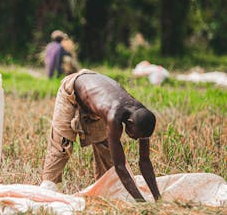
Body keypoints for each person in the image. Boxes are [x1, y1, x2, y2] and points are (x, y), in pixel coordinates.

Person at [40, 69, 161, 202]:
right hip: (72, 89)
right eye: (135, 136)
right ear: (130, 123)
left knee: (105, 148)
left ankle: (103, 193)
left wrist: (158, 198)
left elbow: (144, 160)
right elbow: (120, 166)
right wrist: (141, 202)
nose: (135, 139)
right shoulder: (113, 115)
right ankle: (47, 188)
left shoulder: (142, 116)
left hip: (94, 96)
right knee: (62, 144)